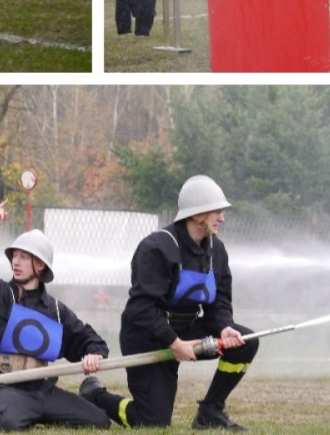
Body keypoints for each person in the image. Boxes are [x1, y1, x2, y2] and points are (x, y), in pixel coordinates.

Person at [82, 175, 258, 430]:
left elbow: (218, 303)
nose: (222, 217)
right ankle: (94, 396)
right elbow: (140, 308)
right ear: (197, 213)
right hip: (147, 336)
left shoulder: (216, 251)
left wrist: (224, 327)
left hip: (186, 331)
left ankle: (210, 411)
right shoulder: (157, 248)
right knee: (152, 422)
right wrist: (174, 343)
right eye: (217, 211)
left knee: (245, 341)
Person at [0, 203, 116, 430]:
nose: (16, 261)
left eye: (24, 257)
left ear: (40, 264)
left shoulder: (55, 310)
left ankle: (33, 414)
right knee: (7, 421)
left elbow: (88, 338)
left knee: (99, 422)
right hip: (4, 385)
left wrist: (94, 354)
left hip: (43, 390)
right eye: (15, 255)